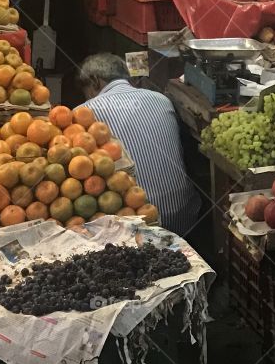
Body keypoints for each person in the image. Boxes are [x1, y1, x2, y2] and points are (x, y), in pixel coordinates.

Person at [78, 53, 200, 236]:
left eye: (85, 89)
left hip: (137, 228)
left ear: (94, 81)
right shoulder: (162, 99)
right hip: (185, 217)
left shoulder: (83, 114)